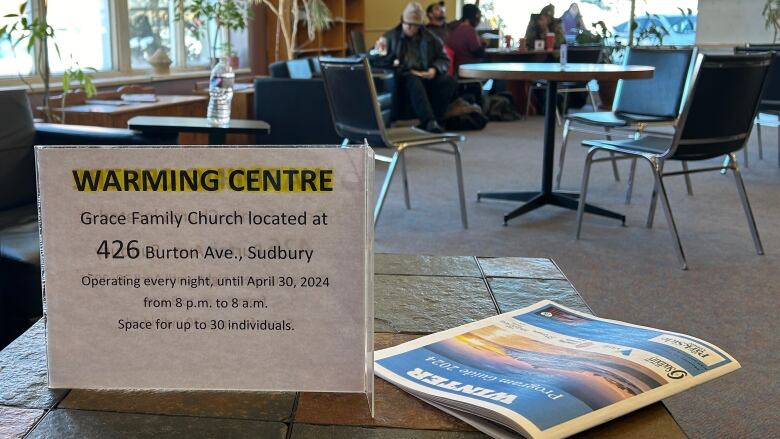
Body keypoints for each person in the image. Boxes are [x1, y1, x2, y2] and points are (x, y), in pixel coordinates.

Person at [370, 2, 456, 133]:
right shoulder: (390, 36)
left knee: (448, 81)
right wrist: (378, 51)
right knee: (412, 79)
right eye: (407, 24)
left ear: (420, 26)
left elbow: (444, 59)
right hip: (402, 79)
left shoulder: (431, 39)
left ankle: (437, 120)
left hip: (426, 75)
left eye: (414, 25)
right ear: (402, 21)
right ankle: (428, 121)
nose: (409, 27)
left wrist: (434, 69)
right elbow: (372, 58)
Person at [446, 3, 486, 72]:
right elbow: (478, 53)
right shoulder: (469, 30)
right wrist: (484, 43)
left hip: (455, 67)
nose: (479, 21)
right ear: (474, 17)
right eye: (479, 17)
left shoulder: (453, 27)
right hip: (467, 67)